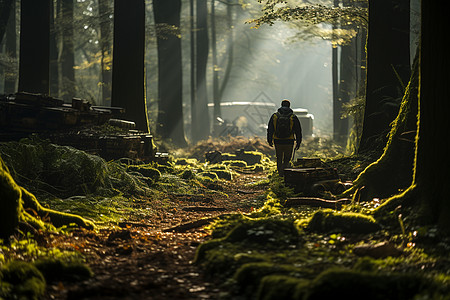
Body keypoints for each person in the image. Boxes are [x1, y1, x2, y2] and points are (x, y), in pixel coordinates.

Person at [267, 99, 302, 176]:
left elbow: (270, 129)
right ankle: (285, 174)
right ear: (289, 106)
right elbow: (298, 130)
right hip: (289, 141)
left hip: (277, 141)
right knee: (287, 159)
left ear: (281, 105)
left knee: (279, 158)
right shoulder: (293, 117)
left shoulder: (275, 116)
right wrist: (298, 142)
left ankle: (280, 173)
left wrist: (269, 140)